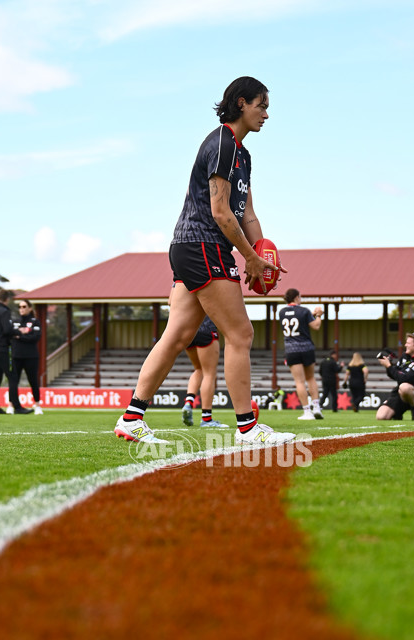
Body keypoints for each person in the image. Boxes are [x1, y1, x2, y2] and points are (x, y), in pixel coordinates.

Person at [114, 76, 294, 447]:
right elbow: (221, 212)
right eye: (262, 105)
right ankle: (247, 427)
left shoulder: (242, 153)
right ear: (241, 103)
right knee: (241, 334)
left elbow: (247, 214)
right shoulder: (224, 143)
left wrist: (263, 250)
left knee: (178, 334)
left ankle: (132, 418)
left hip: (191, 246)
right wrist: (250, 259)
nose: (266, 114)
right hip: (204, 245)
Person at [278, 288, 323, 420]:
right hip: (306, 348)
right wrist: (318, 315)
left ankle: (307, 411)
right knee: (311, 378)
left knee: (299, 382)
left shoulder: (281, 312)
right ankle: (316, 407)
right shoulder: (304, 311)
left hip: (291, 349)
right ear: (297, 297)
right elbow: (316, 326)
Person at [0, 288, 30, 414]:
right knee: (13, 377)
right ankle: (17, 407)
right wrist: (19, 332)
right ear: (7, 299)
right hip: (3, 349)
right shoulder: (4, 312)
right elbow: (7, 330)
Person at [181, 315, 228, 428]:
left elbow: (170, 302)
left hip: (188, 330)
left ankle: (188, 403)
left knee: (198, 369)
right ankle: (206, 419)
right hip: (206, 328)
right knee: (209, 373)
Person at [376, 332, 414, 421]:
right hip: (399, 392)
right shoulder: (404, 356)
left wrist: (389, 366)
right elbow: (395, 375)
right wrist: (388, 366)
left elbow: (405, 379)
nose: (405, 345)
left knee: (405, 386)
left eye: (408, 343)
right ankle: (398, 414)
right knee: (381, 417)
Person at [9, 298, 43, 415]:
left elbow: (35, 337)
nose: (21, 309)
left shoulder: (35, 322)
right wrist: (23, 334)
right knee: (14, 381)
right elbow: (11, 336)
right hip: (16, 356)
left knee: (33, 381)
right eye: (20, 307)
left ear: (29, 308)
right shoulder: (15, 322)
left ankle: (37, 405)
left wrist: (20, 336)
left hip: (31, 356)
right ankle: (11, 405)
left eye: (24, 307)